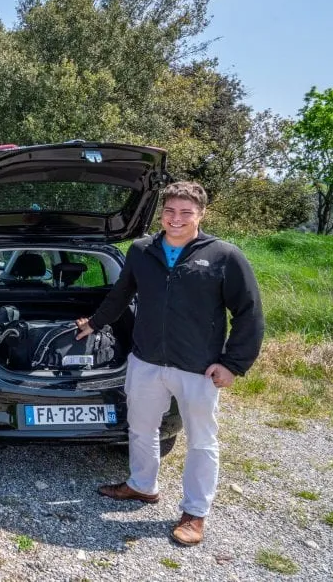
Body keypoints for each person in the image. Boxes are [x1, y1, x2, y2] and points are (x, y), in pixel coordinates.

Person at [75, 181, 264, 546]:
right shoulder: (142, 250)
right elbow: (121, 294)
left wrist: (233, 364)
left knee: (201, 441)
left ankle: (195, 512)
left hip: (198, 367)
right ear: (161, 213)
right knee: (141, 429)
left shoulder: (224, 255)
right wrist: (94, 323)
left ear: (201, 215)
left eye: (186, 213)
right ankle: (142, 485)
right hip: (146, 361)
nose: (176, 219)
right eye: (170, 211)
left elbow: (249, 313)